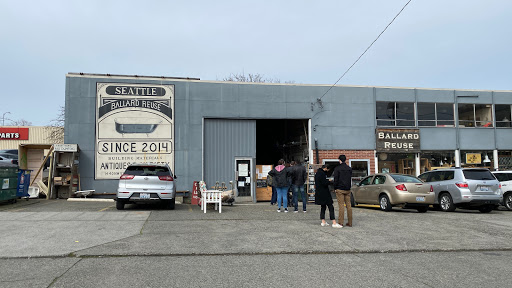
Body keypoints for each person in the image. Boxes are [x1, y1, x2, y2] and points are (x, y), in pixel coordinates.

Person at [332, 154, 353, 227]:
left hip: (340, 189)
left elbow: (336, 179)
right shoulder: (349, 168)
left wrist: (335, 188)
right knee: (349, 206)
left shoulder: (337, 169)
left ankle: (341, 222)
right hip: (347, 189)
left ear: (339, 160)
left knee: (341, 206)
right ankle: (350, 222)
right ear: (345, 160)